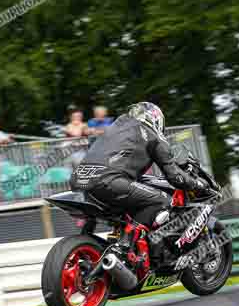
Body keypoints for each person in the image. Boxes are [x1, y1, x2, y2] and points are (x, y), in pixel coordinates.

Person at [70, 101, 208, 252]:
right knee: (162, 200)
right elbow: (175, 177)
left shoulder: (115, 127)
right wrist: (197, 184)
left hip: (79, 179)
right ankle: (127, 248)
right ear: (156, 120)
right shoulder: (154, 136)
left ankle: (89, 243)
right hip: (108, 181)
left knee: (128, 202)